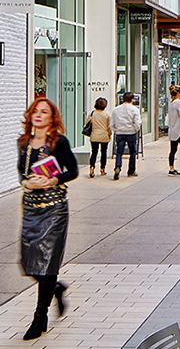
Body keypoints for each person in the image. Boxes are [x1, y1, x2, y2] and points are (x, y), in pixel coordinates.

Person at [18, 98, 79, 341]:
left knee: (47, 262)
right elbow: (19, 172)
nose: (39, 115)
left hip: (54, 209)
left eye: (45, 112)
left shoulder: (59, 142)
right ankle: (55, 289)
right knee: (27, 263)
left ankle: (39, 317)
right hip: (31, 208)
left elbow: (73, 170)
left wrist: (53, 180)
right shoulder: (23, 143)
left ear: (52, 118)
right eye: (36, 111)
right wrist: (27, 182)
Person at [110, 92, 141, 180]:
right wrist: (135, 129)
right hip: (130, 132)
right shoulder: (134, 109)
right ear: (132, 100)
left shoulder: (116, 109)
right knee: (133, 152)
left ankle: (118, 167)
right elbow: (137, 122)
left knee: (119, 152)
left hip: (119, 132)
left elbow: (112, 123)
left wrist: (115, 130)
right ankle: (131, 170)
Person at [87, 97, 111, 178]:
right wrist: (110, 134)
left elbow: (87, 123)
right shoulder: (107, 114)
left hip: (94, 135)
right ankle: (102, 169)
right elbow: (109, 126)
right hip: (104, 135)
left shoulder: (93, 113)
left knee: (94, 152)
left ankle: (92, 167)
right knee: (103, 152)